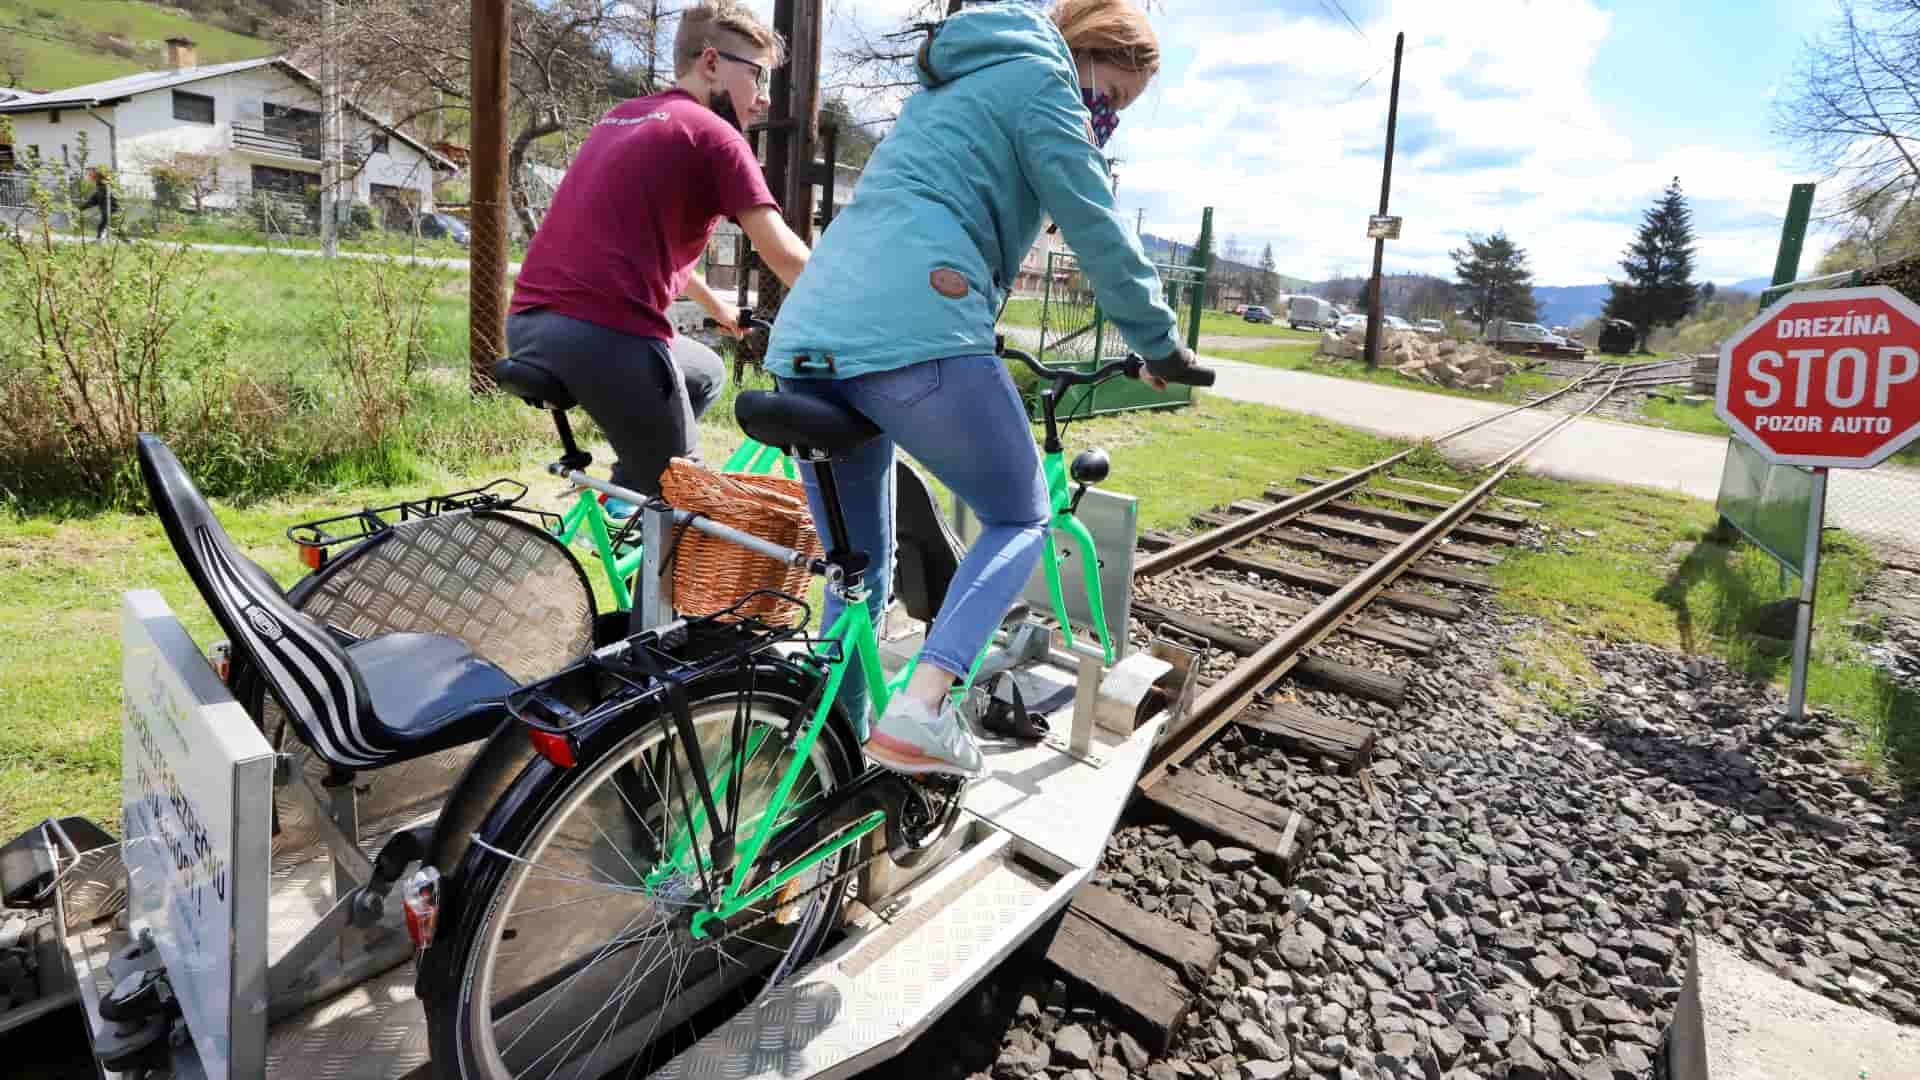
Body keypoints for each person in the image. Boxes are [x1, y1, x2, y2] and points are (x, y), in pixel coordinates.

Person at [765, 0, 1208, 777]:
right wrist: (1159, 345)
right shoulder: (1043, 83)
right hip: (913, 334)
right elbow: (1097, 225)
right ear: (1093, 59)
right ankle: (923, 706)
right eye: (1114, 98)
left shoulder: (956, 84)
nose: (1108, 119)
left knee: (858, 575)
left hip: (808, 340)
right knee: (1020, 511)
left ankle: (822, 774)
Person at [505, 0, 812, 517]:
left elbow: (637, 242)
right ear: (711, 63)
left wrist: (715, 306)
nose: (761, 99)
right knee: (691, 508)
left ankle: (624, 501)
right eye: (757, 77)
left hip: (532, 327)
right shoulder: (717, 137)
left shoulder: (622, 117)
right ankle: (656, 583)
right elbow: (782, 252)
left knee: (704, 371)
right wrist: (859, 310)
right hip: (607, 337)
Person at [79, 167, 113, 240]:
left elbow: (96, 198)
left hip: (110, 208)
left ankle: (100, 238)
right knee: (105, 223)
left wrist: (83, 207)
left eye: (90, 174)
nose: (88, 176)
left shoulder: (103, 185)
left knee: (106, 222)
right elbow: (95, 198)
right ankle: (100, 237)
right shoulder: (100, 185)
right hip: (106, 208)